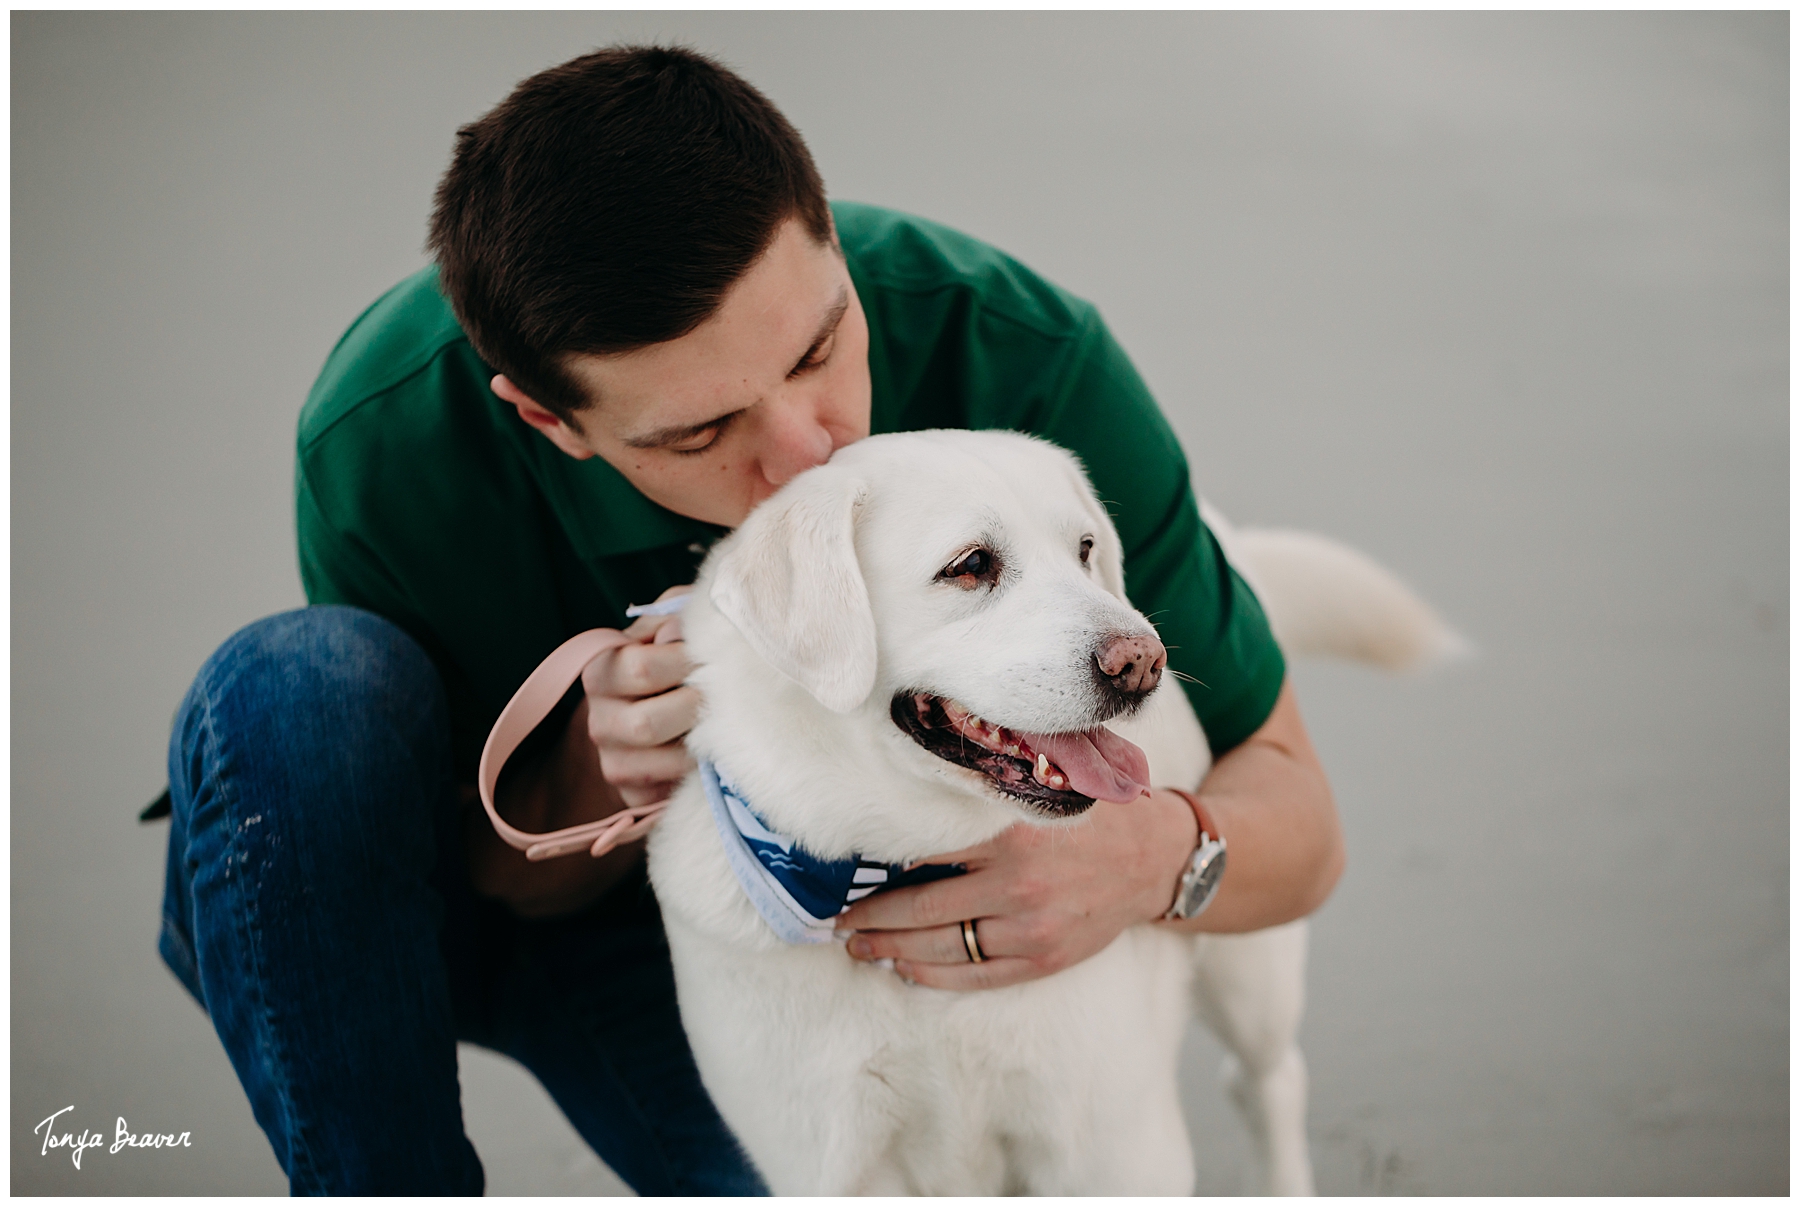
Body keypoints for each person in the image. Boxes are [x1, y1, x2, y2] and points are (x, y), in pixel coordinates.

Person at [156, 44, 1344, 1195]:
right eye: (696, 433)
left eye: (821, 347)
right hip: (569, 934)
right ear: (547, 419)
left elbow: (1301, 819)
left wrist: (1152, 855)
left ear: (831, 242)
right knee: (296, 681)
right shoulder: (391, 443)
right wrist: (588, 776)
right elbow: (397, 885)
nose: (809, 450)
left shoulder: (1018, 353)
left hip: (895, 920)